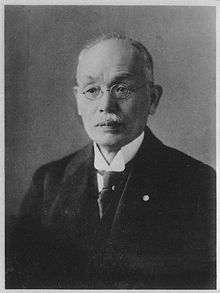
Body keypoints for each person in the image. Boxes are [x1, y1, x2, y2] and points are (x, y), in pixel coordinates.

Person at [6, 32, 216, 289]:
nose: (106, 104)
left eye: (122, 88)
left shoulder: (198, 183)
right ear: (78, 101)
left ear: (153, 99)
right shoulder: (49, 181)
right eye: (91, 90)